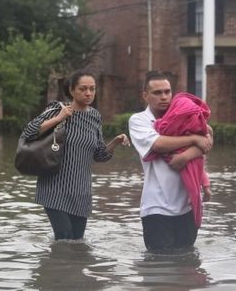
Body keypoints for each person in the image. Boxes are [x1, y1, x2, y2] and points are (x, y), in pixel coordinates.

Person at [20, 71, 130, 240]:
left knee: (77, 242)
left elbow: (99, 155)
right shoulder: (57, 109)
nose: (88, 93)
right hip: (54, 188)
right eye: (83, 89)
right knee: (64, 237)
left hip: (81, 191)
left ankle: (71, 267)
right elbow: (28, 133)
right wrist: (59, 118)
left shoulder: (95, 117)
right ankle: (56, 265)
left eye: (92, 89)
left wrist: (115, 142)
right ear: (71, 90)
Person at [129, 71, 213, 251]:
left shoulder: (184, 118)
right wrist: (193, 140)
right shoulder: (139, 120)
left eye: (167, 92)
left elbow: (208, 138)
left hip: (187, 206)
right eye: (157, 93)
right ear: (145, 96)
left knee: (187, 265)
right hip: (157, 208)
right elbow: (158, 144)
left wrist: (185, 156)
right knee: (159, 268)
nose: (164, 97)